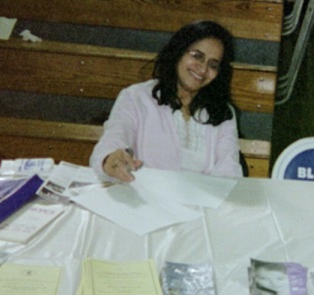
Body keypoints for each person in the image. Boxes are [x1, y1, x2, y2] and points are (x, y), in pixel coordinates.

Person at [90, 20, 243, 182]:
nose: (203, 69)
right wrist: (110, 159)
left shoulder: (223, 112)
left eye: (213, 65)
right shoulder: (136, 97)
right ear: (178, 51)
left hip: (207, 198)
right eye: (197, 56)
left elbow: (229, 169)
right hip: (145, 195)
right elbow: (114, 138)